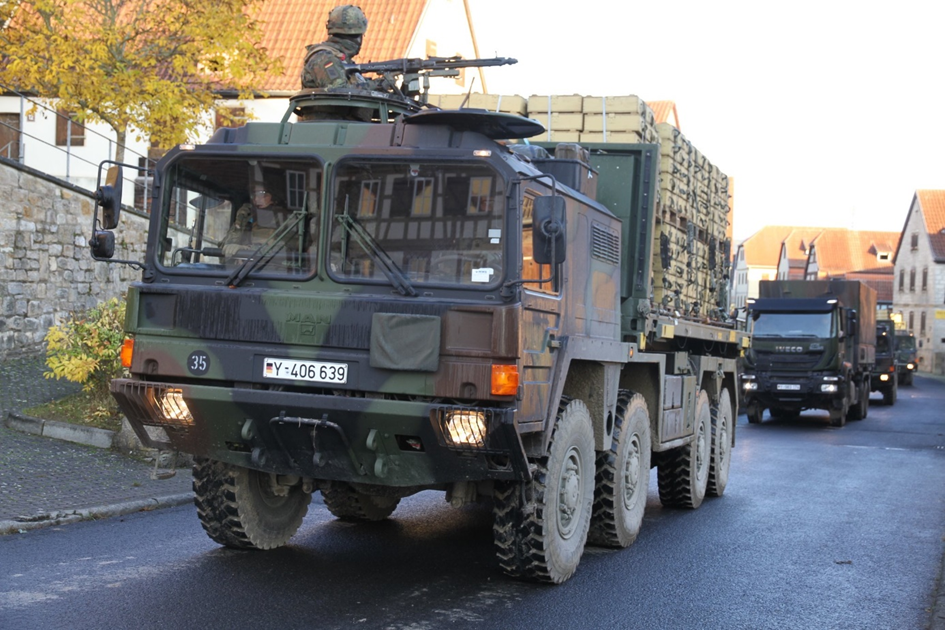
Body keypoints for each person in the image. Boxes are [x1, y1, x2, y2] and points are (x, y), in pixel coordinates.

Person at [301, 5, 369, 89]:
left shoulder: (340, 60)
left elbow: (356, 85)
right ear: (356, 36)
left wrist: (382, 83)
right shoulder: (324, 58)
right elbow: (341, 92)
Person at [222, 185, 290, 259]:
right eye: (253, 195)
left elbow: (284, 249)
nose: (256, 199)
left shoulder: (287, 219)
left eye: (261, 193)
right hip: (242, 269)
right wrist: (240, 222)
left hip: (271, 269)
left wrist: (247, 250)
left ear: (274, 195)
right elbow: (223, 253)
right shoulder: (248, 218)